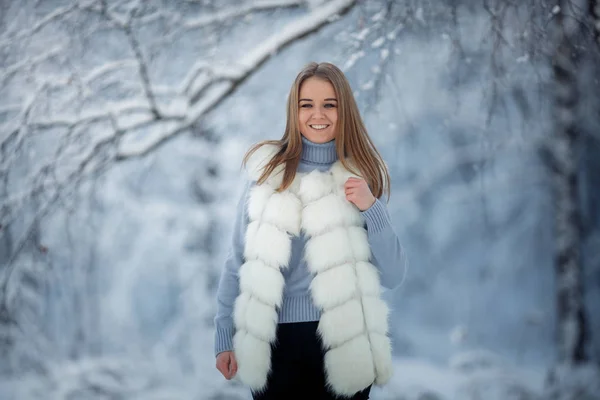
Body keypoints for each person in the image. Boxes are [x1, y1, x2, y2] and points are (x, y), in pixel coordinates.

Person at [214, 61, 406, 399]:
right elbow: (237, 261)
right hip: (273, 345)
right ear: (294, 110)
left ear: (343, 109)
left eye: (329, 104)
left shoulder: (360, 175)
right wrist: (223, 335)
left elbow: (393, 274)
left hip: (346, 344)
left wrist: (371, 207)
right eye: (307, 105)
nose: (318, 114)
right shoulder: (267, 174)